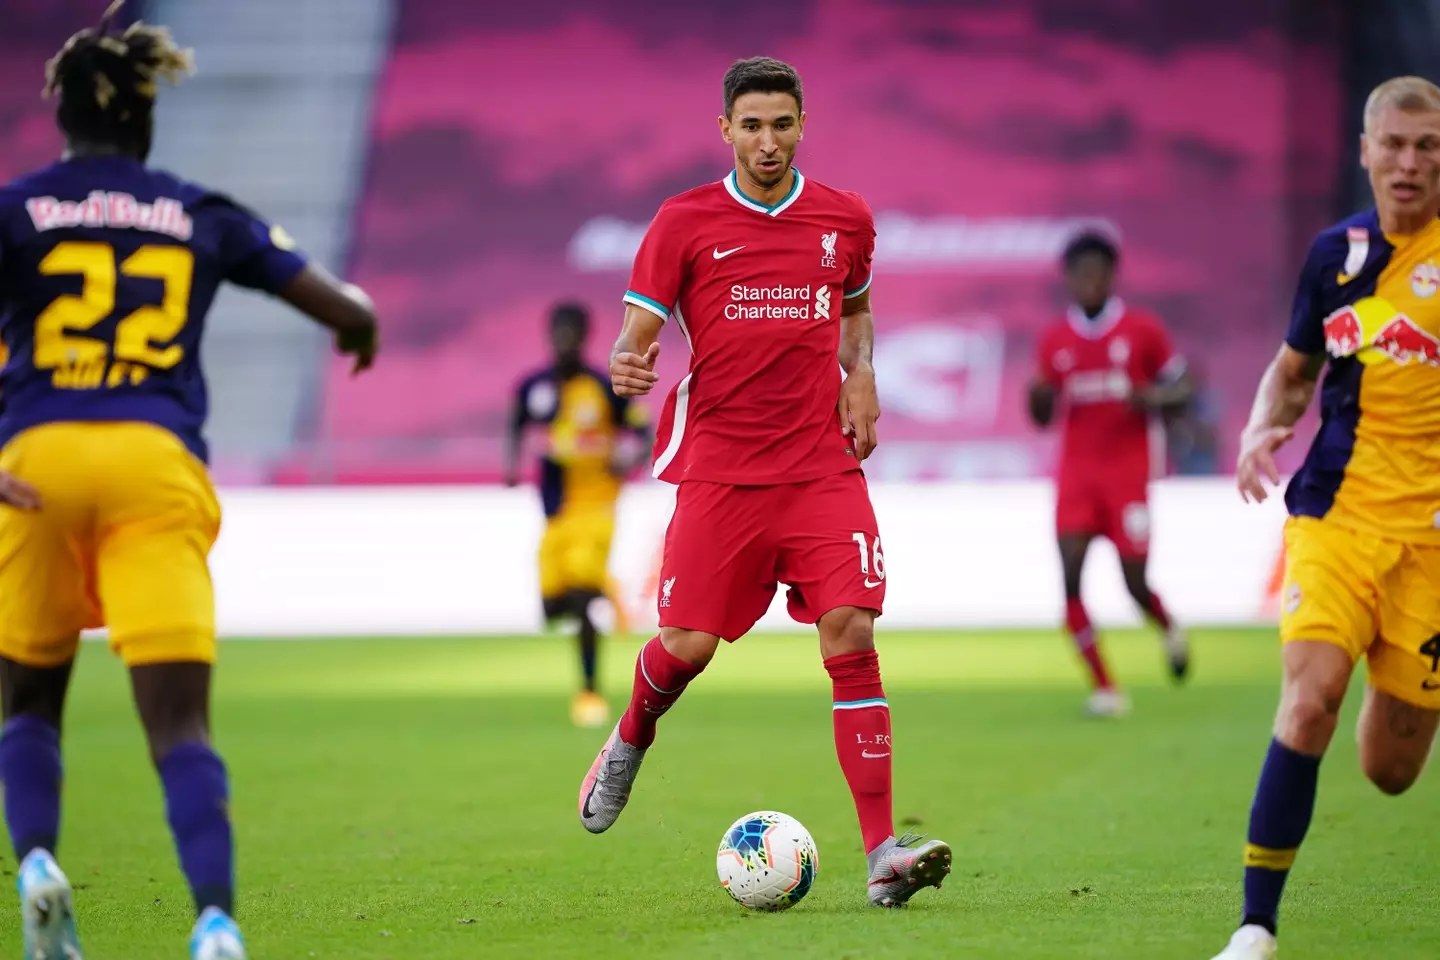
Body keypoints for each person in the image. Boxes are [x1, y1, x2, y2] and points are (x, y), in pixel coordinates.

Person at [0, 6, 378, 958]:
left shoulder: (17, 208)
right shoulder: (197, 211)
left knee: (30, 702)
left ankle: (39, 861)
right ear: (145, 119)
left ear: (67, 122)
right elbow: (336, 302)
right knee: (179, 726)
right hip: (154, 464)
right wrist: (360, 328)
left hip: (35, 458)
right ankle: (214, 921)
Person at [575, 56, 951, 908]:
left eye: (782, 124)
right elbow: (638, 327)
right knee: (687, 647)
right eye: (752, 126)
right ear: (726, 132)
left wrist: (861, 375)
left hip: (821, 463)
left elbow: (854, 310)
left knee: (850, 628)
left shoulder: (844, 217)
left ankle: (884, 853)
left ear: (802, 124)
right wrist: (627, 359)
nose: (768, 141)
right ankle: (631, 736)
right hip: (723, 470)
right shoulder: (685, 221)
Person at [1213, 76, 1440, 960]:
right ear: (1366, 150)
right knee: (1307, 704)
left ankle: (1395, 665)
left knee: (1389, 772)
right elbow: (1293, 367)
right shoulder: (1334, 254)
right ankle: (1256, 926)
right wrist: (1258, 426)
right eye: (1396, 145)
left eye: (1428, 147)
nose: (1411, 163)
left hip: (1429, 545)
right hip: (1334, 518)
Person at [1027, 231, 1193, 717]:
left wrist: (1152, 398)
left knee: (1134, 582)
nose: (1090, 284)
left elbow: (1183, 388)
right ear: (1070, 281)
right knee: (1072, 578)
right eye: (1081, 275)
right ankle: (1105, 687)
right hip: (1076, 477)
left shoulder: (1142, 331)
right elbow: (1041, 415)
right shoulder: (1055, 340)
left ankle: (1169, 629)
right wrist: (1036, 398)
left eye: (1098, 274)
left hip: (1128, 478)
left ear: (1111, 277)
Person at [505, 301, 652, 728]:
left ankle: (589, 692)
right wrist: (512, 466)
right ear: (548, 335)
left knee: (582, 600)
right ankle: (608, 592)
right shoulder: (535, 387)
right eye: (557, 332)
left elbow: (643, 431)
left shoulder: (602, 387)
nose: (563, 341)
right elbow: (516, 422)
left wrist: (628, 461)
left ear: (584, 337)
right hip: (556, 512)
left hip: (596, 507)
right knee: (552, 607)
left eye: (571, 334)